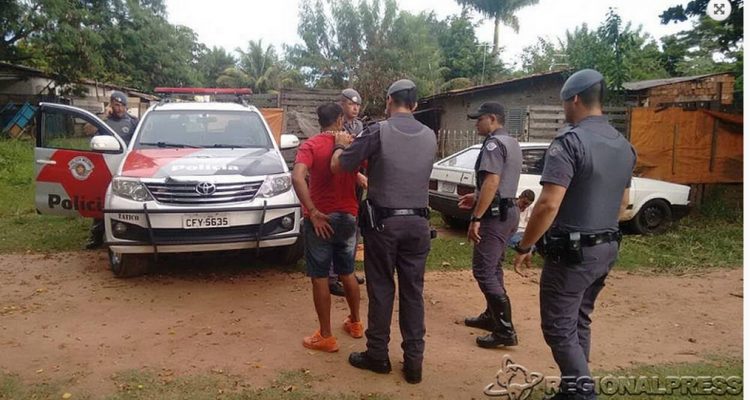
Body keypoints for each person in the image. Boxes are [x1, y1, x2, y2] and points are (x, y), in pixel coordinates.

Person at [513, 69, 636, 400]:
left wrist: (526, 245)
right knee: (579, 320)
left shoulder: (570, 142)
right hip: (607, 247)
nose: (564, 107)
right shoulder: (623, 146)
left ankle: (583, 393)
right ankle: (572, 390)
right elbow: (623, 204)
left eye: (564, 101)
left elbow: (547, 205)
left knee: (557, 326)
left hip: (572, 254)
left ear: (575, 99)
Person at [330, 79, 437, 384]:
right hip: (419, 225)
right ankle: (414, 363)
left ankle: (378, 355)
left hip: (383, 225)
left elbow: (341, 167)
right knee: (413, 293)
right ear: (415, 105)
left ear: (389, 101)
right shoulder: (430, 136)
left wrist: (340, 146)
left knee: (381, 289)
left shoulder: (377, 131)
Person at [291, 102, 363, 353]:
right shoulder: (352, 143)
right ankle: (355, 323)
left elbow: (297, 177)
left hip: (320, 219)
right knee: (348, 272)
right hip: (348, 217)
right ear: (340, 119)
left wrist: (312, 211)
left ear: (319, 121)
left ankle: (326, 336)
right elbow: (360, 174)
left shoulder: (310, 145)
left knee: (320, 276)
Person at [458, 102, 523, 349]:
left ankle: (505, 331)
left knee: (484, 270)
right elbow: (502, 182)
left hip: (495, 217)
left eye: (479, 119)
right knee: (494, 267)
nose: (476, 123)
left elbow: (492, 181)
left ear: (493, 119)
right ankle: (491, 316)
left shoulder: (494, 144)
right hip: (509, 210)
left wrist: (476, 217)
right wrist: (476, 197)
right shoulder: (512, 142)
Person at [83, 90, 139, 249]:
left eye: (122, 105)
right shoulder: (103, 121)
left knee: (125, 201)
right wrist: (102, 116)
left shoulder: (133, 122)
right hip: (106, 166)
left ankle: (126, 232)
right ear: (111, 105)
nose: (120, 109)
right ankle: (96, 236)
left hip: (127, 168)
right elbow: (87, 130)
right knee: (102, 200)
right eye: (116, 105)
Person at [328, 88, 367, 296]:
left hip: (356, 183)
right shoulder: (335, 126)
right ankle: (333, 277)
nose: (355, 108)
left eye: (358, 105)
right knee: (340, 227)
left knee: (354, 227)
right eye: (351, 104)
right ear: (342, 104)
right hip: (341, 180)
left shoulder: (359, 126)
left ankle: (347, 272)